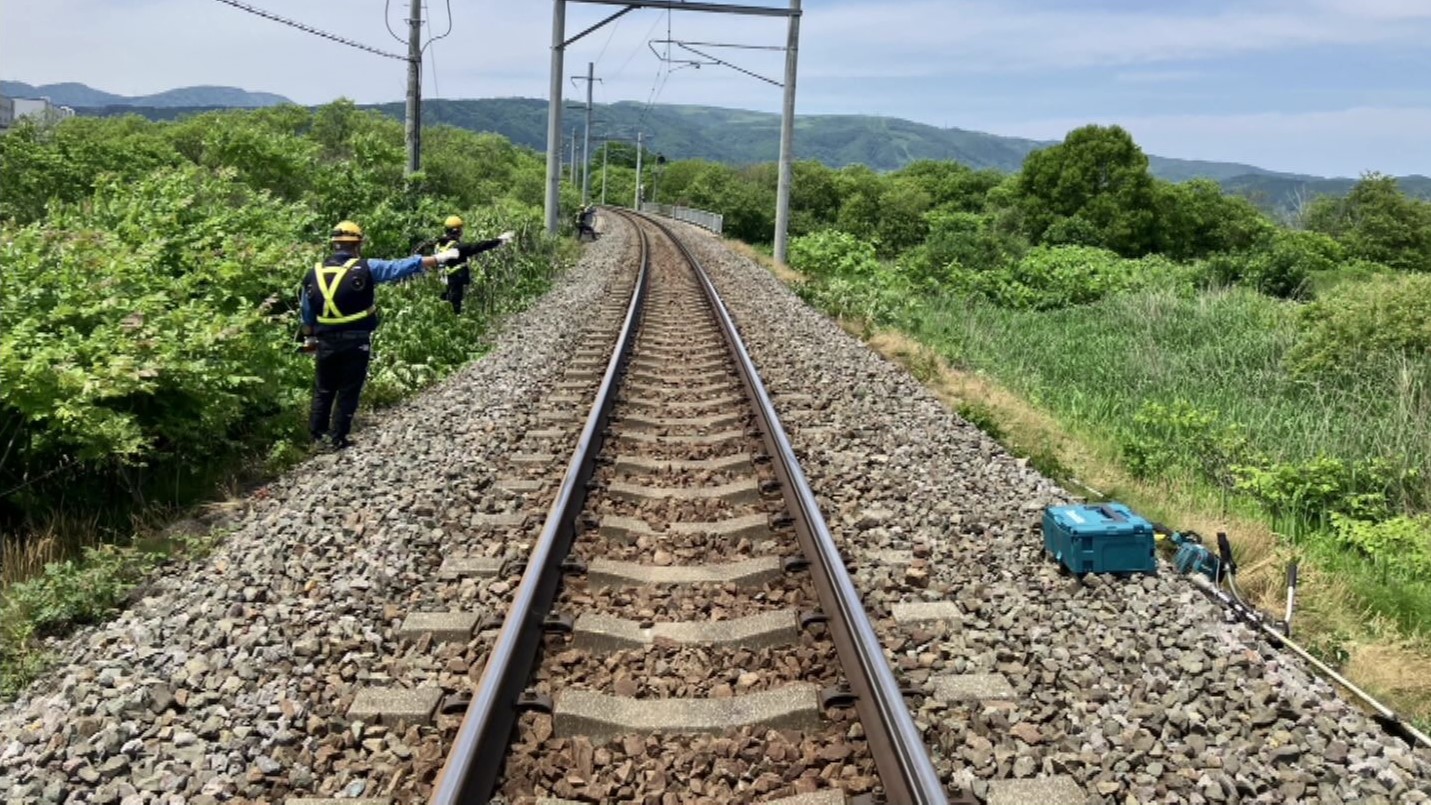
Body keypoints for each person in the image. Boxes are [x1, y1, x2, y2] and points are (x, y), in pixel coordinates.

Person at [299, 220, 492, 450]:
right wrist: (439, 258)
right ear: (357, 244)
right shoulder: (366, 267)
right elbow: (400, 267)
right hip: (356, 340)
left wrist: (310, 339)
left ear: (334, 244)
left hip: (326, 341)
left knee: (324, 388)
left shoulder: (314, 273)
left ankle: (317, 437)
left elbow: (307, 312)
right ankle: (338, 437)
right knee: (349, 389)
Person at [413, 215, 514, 314]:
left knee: (443, 306)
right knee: (454, 308)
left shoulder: (439, 245)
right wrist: (499, 240)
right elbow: (479, 246)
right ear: (457, 231)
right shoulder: (457, 247)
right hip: (455, 281)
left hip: (442, 281)